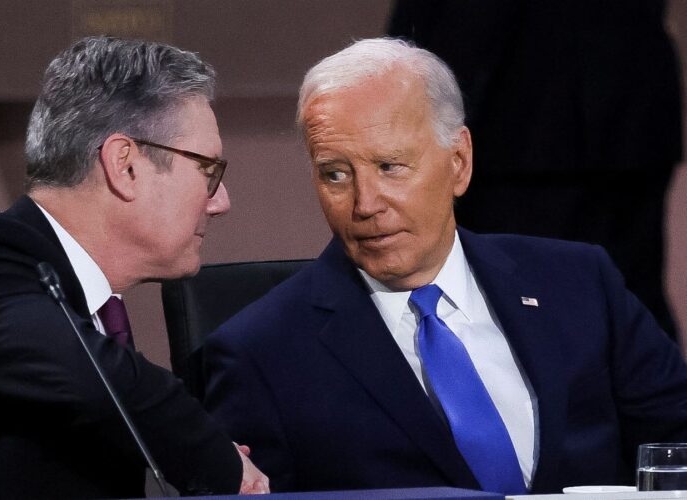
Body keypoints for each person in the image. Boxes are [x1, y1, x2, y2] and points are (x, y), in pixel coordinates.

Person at [203, 38, 687, 494]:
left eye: (390, 167)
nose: (366, 204)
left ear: (458, 162)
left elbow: (675, 440)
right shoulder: (259, 354)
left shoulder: (578, 283)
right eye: (335, 174)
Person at [0, 36, 268, 499]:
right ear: (124, 166)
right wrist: (219, 460)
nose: (220, 201)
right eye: (208, 170)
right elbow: (95, 380)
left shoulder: (62, 298)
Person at [387, 0, 683, 340]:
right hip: (628, 108)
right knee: (625, 305)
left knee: (524, 317)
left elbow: (468, 23)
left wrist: (407, 119)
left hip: (521, 123)